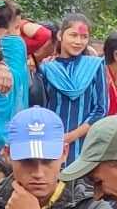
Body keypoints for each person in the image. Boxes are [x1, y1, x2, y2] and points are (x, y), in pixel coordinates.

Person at [38, 12, 107, 147]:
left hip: (83, 145)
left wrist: (70, 137)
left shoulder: (95, 66)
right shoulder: (46, 68)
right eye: (73, 35)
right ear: (60, 35)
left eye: (84, 37)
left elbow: (100, 109)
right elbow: (41, 107)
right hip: (49, 139)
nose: (78, 42)